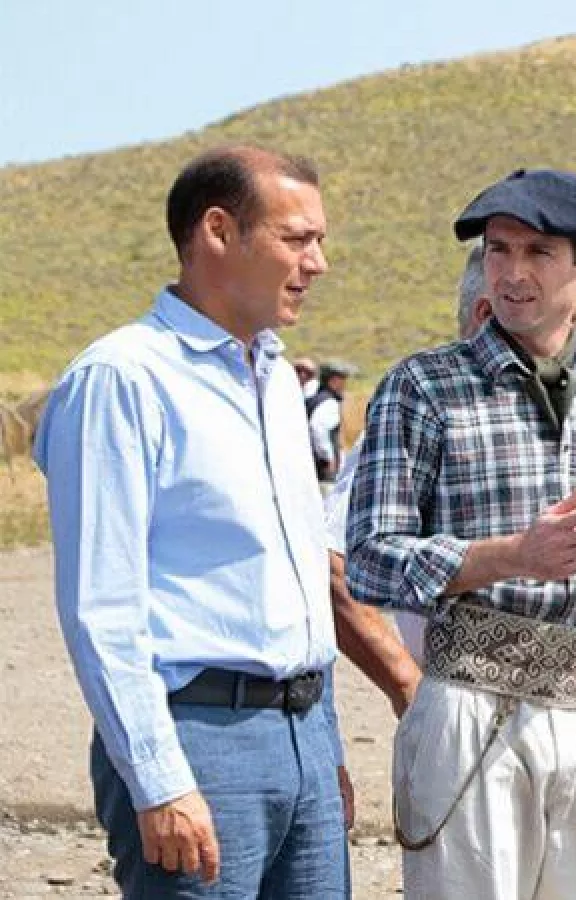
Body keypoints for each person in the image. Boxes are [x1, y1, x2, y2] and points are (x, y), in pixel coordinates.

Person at [33, 145, 351, 897]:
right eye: (297, 239)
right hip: (199, 742)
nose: (318, 263)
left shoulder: (277, 379)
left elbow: (297, 580)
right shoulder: (122, 379)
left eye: (319, 241)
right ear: (217, 230)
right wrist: (159, 781)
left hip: (303, 737)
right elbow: (102, 606)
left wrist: (325, 744)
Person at [345, 168, 576, 899]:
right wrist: (514, 556)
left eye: (538, 252)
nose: (513, 273)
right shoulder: (422, 387)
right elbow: (368, 559)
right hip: (473, 705)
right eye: (499, 250)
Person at [307, 359, 354, 483]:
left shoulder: (314, 398)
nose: (344, 384)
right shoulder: (329, 403)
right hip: (323, 468)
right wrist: (329, 458)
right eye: (342, 379)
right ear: (333, 380)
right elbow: (317, 428)